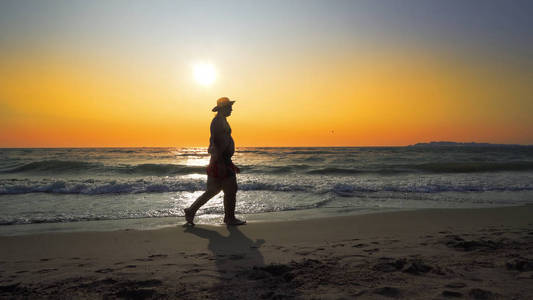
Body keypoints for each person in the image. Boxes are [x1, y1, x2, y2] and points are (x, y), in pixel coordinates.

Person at [183, 97, 246, 226]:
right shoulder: (218, 121)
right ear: (223, 108)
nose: (231, 109)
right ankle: (229, 218)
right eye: (229, 107)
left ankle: (191, 210)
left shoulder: (221, 120)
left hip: (220, 159)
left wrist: (229, 162)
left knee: (213, 190)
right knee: (231, 190)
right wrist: (222, 163)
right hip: (220, 160)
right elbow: (216, 142)